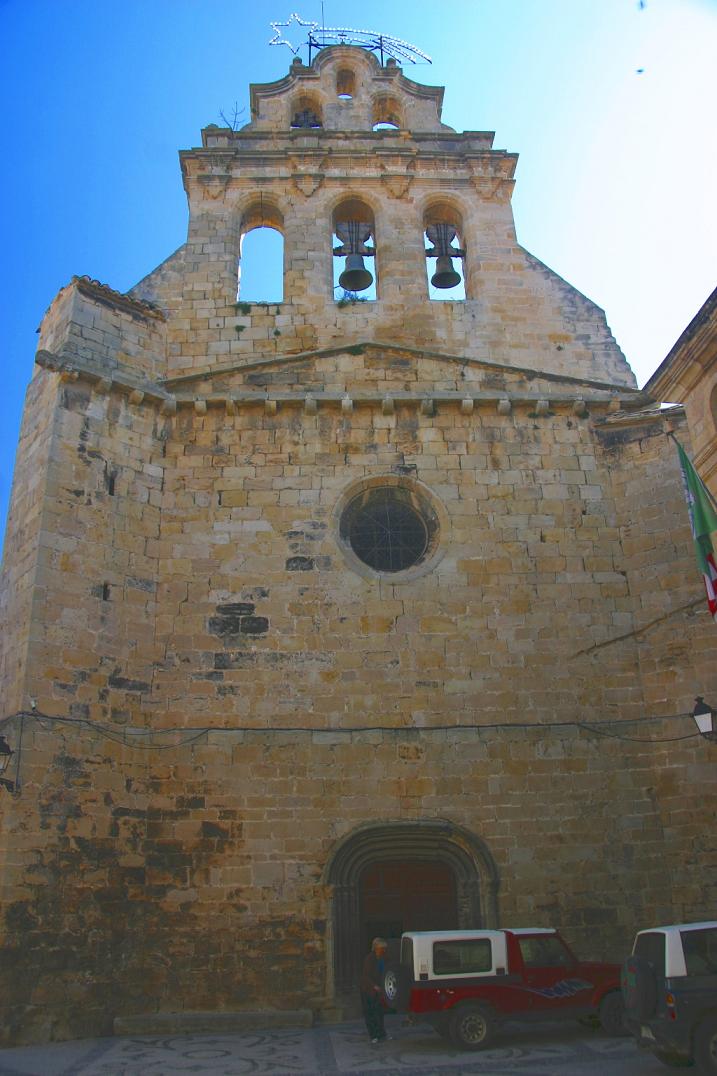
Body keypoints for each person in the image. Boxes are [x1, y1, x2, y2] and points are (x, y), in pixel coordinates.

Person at [360, 937, 391, 1044]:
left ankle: (382, 1033)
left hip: (379, 989)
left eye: (385, 948)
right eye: (382, 948)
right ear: (376, 948)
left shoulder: (384, 958)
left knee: (379, 1012)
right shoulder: (369, 958)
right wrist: (374, 986)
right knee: (370, 1013)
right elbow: (366, 976)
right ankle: (373, 1035)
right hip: (368, 989)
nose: (384, 950)